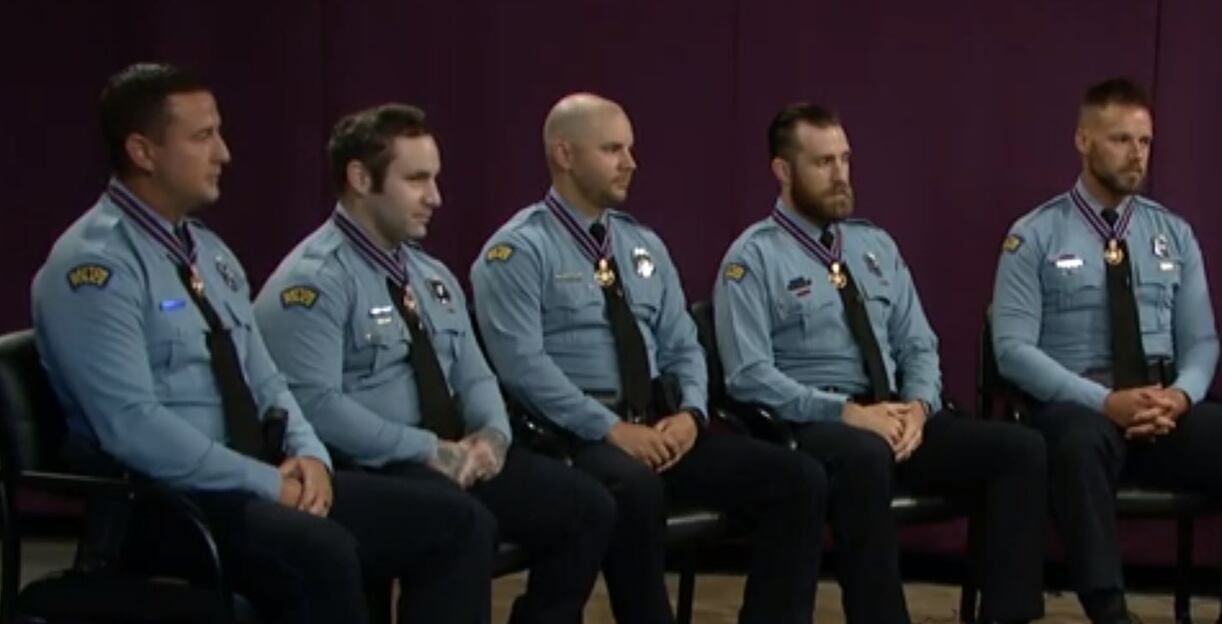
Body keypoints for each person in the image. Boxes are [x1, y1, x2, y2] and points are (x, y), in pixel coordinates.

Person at [31, 63, 494, 624]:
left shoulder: (208, 252)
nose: (224, 152)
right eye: (202, 136)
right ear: (143, 151)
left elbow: (266, 379)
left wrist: (310, 456)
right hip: (167, 503)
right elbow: (132, 425)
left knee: (459, 522)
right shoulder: (94, 268)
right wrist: (267, 482)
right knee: (322, 553)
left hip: (260, 477)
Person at [471, 93, 826, 624]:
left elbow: (684, 342)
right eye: (612, 149)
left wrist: (691, 414)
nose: (630, 162)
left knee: (798, 478)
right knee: (633, 488)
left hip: (659, 425)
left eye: (630, 148)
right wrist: (611, 430)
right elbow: (523, 367)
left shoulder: (642, 245)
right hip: (573, 437)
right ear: (564, 155)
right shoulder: (518, 251)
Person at [255, 103, 616, 623]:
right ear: (360, 178)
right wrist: (428, 451)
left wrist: (491, 436)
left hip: (456, 451)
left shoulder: (431, 275)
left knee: (588, 507)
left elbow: (474, 373)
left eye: (436, 178)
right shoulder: (314, 281)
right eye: (417, 179)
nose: (435, 197)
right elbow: (314, 405)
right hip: (375, 461)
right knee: (464, 525)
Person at [714, 102, 1047, 624]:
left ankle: (1008, 617)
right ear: (783, 170)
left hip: (895, 417)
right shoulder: (751, 259)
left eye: (845, 159)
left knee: (1019, 449)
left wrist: (917, 407)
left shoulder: (876, 246)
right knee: (865, 455)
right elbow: (748, 376)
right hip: (814, 425)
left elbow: (918, 344)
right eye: (824, 163)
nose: (841, 175)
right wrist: (847, 413)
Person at [989, 78, 1222, 624]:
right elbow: (1011, 349)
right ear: (1083, 141)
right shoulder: (1034, 234)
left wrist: (1180, 396)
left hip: (1162, 406)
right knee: (1075, 445)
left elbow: (1201, 340)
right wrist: (1104, 401)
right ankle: (1109, 611)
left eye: (1145, 142)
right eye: (1121, 140)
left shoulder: (1172, 234)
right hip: (1082, 406)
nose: (1136, 155)